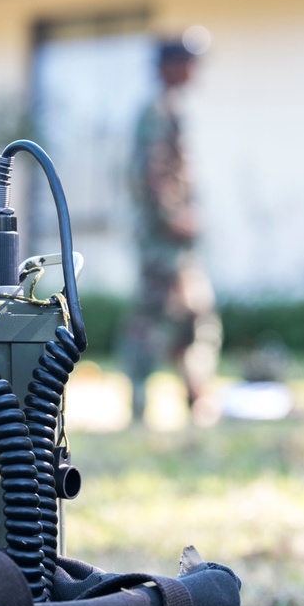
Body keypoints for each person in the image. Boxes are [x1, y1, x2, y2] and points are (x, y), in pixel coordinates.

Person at [122, 35, 222, 424]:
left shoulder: (168, 109)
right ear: (167, 66)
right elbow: (149, 173)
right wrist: (174, 217)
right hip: (162, 243)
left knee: (193, 318)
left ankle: (197, 398)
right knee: (154, 320)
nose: (193, 69)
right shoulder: (156, 111)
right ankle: (138, 403)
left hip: (173, 241)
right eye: (187, 61)